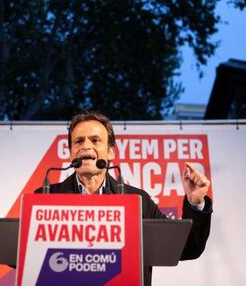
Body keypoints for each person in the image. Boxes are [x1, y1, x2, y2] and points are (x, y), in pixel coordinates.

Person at [35, 111, 212, 286]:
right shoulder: (46, 197)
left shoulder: (138, 200)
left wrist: (195, 202)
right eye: (79, 141)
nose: (86, 146)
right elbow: (23, 254)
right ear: (71, 153)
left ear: (111, 152)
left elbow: (187, 248)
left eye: (95, 140)